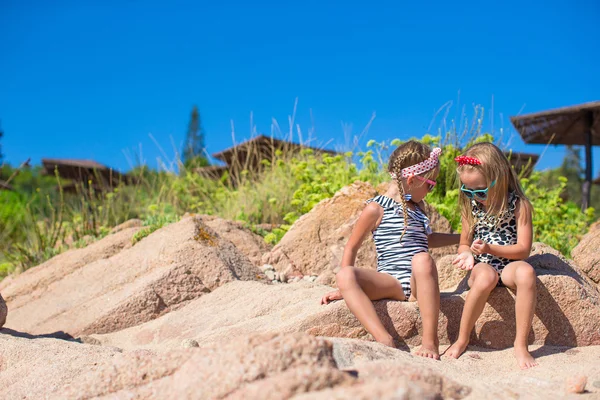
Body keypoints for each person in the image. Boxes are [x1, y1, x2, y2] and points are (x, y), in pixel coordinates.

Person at [321, 140, 459, 359]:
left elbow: (428, 239)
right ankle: (384, 339)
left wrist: (460, 239)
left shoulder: (419, 208)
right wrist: (345, 288)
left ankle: (430, 341)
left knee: (422, 259)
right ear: (412, 180)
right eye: (430, 185)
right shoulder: (376, 209)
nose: (430, 191)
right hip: (390, 282)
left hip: (416, 283)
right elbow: (352, 246)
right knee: (345, 274)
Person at [445, 142, 538, 369]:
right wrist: (466, 253)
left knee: (527, 273)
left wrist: (490, 248)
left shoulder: (519, 205)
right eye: (468, 191)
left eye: (481, 190)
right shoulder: (472, 206)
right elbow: (464, 243)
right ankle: (462, 338)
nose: (475, 196)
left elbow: (524, 249)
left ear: (501, 178)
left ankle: (521, 344)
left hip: (510, 264)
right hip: (483, 265)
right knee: (486, 278)